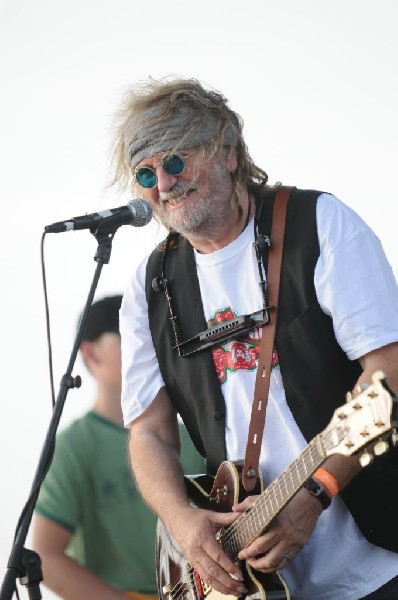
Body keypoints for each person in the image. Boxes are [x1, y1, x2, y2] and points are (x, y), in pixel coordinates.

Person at [113, 77, 398, 600]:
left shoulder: (320, 224)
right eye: (145, 173)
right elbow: (148, 434)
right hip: (254, 579)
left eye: (175, 161)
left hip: (378, 562)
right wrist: (182, 522)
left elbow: (390, 378)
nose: (163, 183)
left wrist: (317, 492)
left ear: (228, 154)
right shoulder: (150, 286)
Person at [32, 294, 205, 600]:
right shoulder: (74, 446)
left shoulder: (193, 433)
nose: (147, 347)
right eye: (130, 337)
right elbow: (47, 557)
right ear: (91, 353)